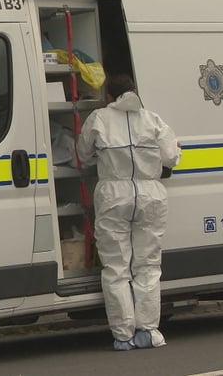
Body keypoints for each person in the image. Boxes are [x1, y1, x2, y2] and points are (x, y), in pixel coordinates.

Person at [76, 73, 181, 351]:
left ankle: (123, 336)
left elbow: (82, 154)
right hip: (150, 195)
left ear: (109, 96)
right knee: (147, 266)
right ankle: (147, 331)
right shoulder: (152, 119)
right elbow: (172, 157)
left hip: (113, 195)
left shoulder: (98, 119)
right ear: (135, 91)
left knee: (116, 268)